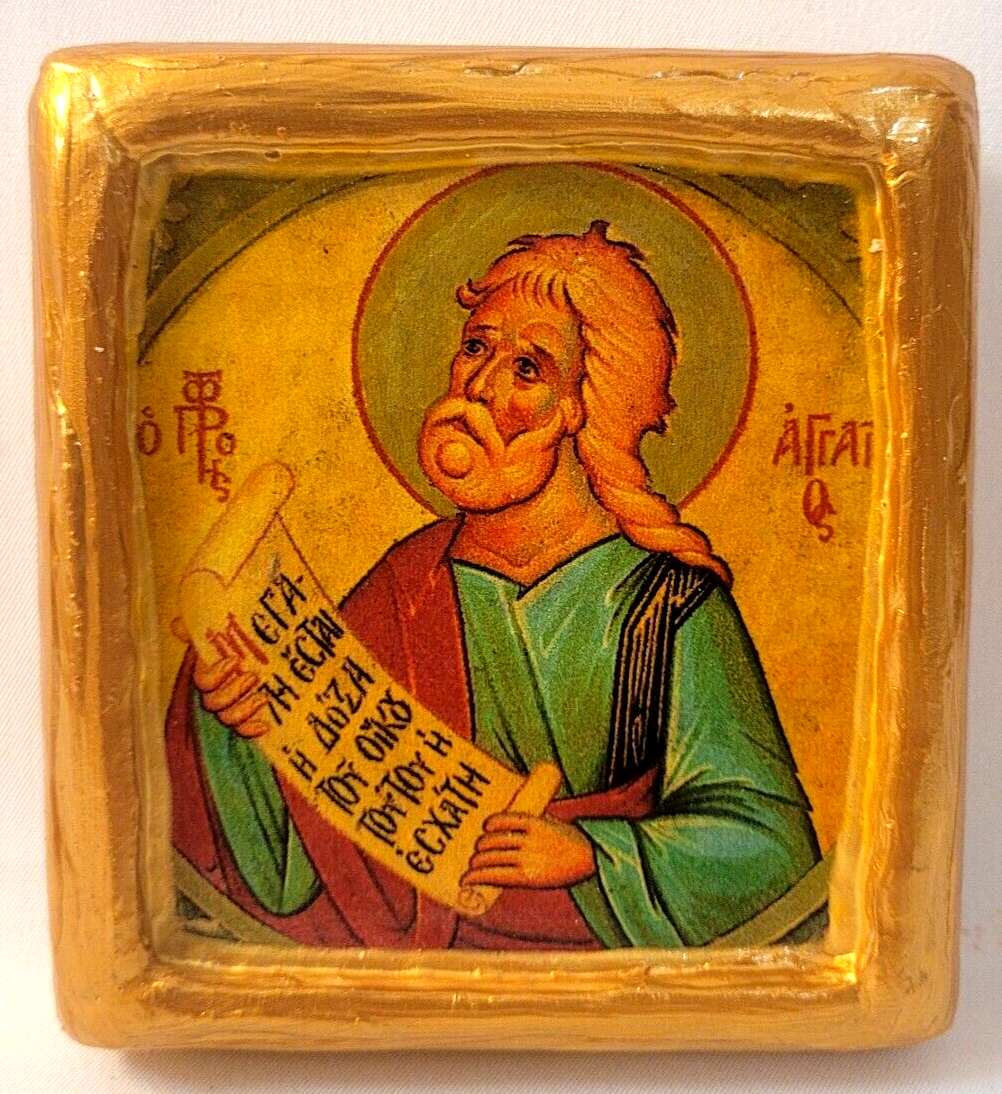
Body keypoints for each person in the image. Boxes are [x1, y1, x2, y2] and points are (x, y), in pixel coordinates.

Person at [166, 221, 820, 950]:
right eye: (476, 348)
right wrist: (244, 723)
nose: (478, 387)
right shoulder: (410, 582)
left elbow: (772, 849)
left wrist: (591, 855)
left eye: (527, 368)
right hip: (420, 971)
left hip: (613, 971)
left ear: (586, 407)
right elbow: (310, 850)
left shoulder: (668, 606)